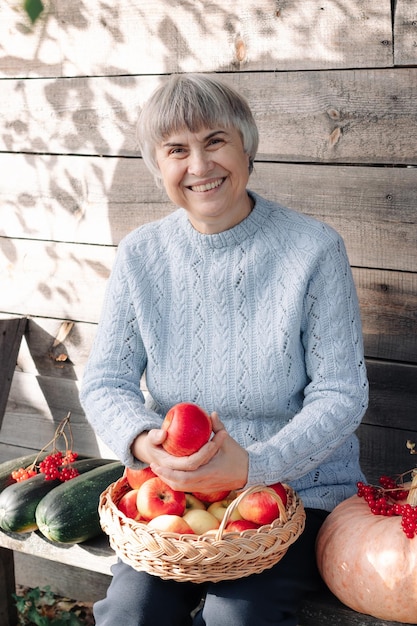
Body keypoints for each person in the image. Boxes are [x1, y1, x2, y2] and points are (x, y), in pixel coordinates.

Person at [80, 73, 369, 626]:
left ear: (247, 147)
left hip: (294, 495)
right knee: (131, 613)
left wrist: (257, 467)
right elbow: (105, 381)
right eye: (176, 150)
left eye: (215, 141)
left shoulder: (313, 249)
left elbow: (342, 393)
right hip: (177, 494)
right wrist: (145, 443)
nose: (199, 166)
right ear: (158, 166)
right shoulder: (143, 254)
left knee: (235, 618)